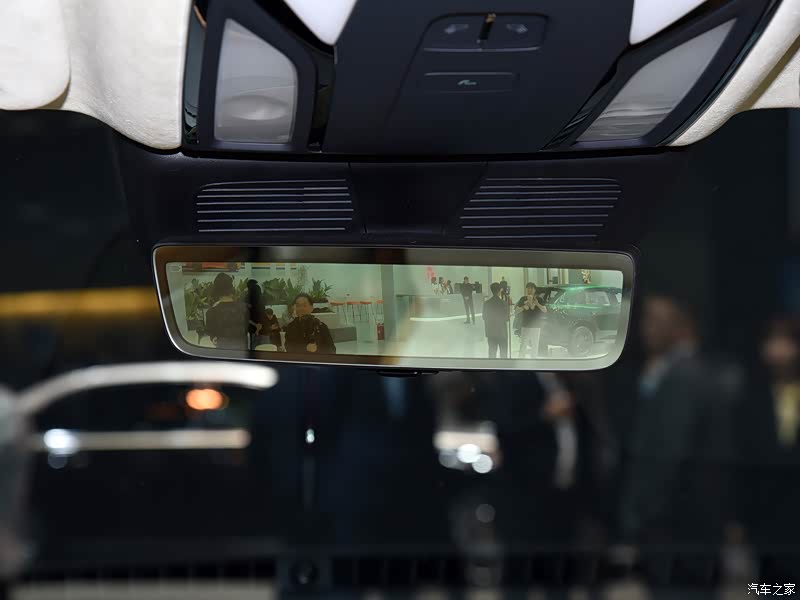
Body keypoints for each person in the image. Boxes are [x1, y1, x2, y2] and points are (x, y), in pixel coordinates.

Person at [617, 294, 736, 592]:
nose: (645, 328)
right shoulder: (688, 371)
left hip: (675, 526)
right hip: (691, 525)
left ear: (682, 326)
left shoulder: (682, 376)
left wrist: (642, 518)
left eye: (655, 320)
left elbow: (668, 455)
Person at [204, 272, 249, 350]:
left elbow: (211, 333)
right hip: (242, 351)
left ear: (216, 290)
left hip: (223, 352)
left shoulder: (211, 312)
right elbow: (247, 329)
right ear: (231, 288)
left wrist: (213, 337)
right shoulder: (243, 308)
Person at [515, 282, 547, 357]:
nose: (529, 290)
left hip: (536, 326)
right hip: (525, 325)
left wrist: (537, 303)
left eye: (531, 288)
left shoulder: (539, 299)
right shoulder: (523, 299)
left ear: (535, 290)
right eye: (528, 288)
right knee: (523, 345)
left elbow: (545, 310)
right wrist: (524, 306)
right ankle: (521, 360)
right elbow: (516, 311)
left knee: (535, 346)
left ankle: (533, 360)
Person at [483, 282, 509, 358]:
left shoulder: (486, 304)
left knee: (492, 353)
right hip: (502, 332)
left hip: (491, 332)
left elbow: (484, 317)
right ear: (499, 291)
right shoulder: (504, 303)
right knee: (503, 354)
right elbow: (507, 318)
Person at [246, 279, 265, 350]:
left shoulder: (247, 298)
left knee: (253, 347)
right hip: (260, 327)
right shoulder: (260, 298)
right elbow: (262, 312)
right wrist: (259, 326)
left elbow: (246, 316)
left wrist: (256, 326)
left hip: (252, 327)